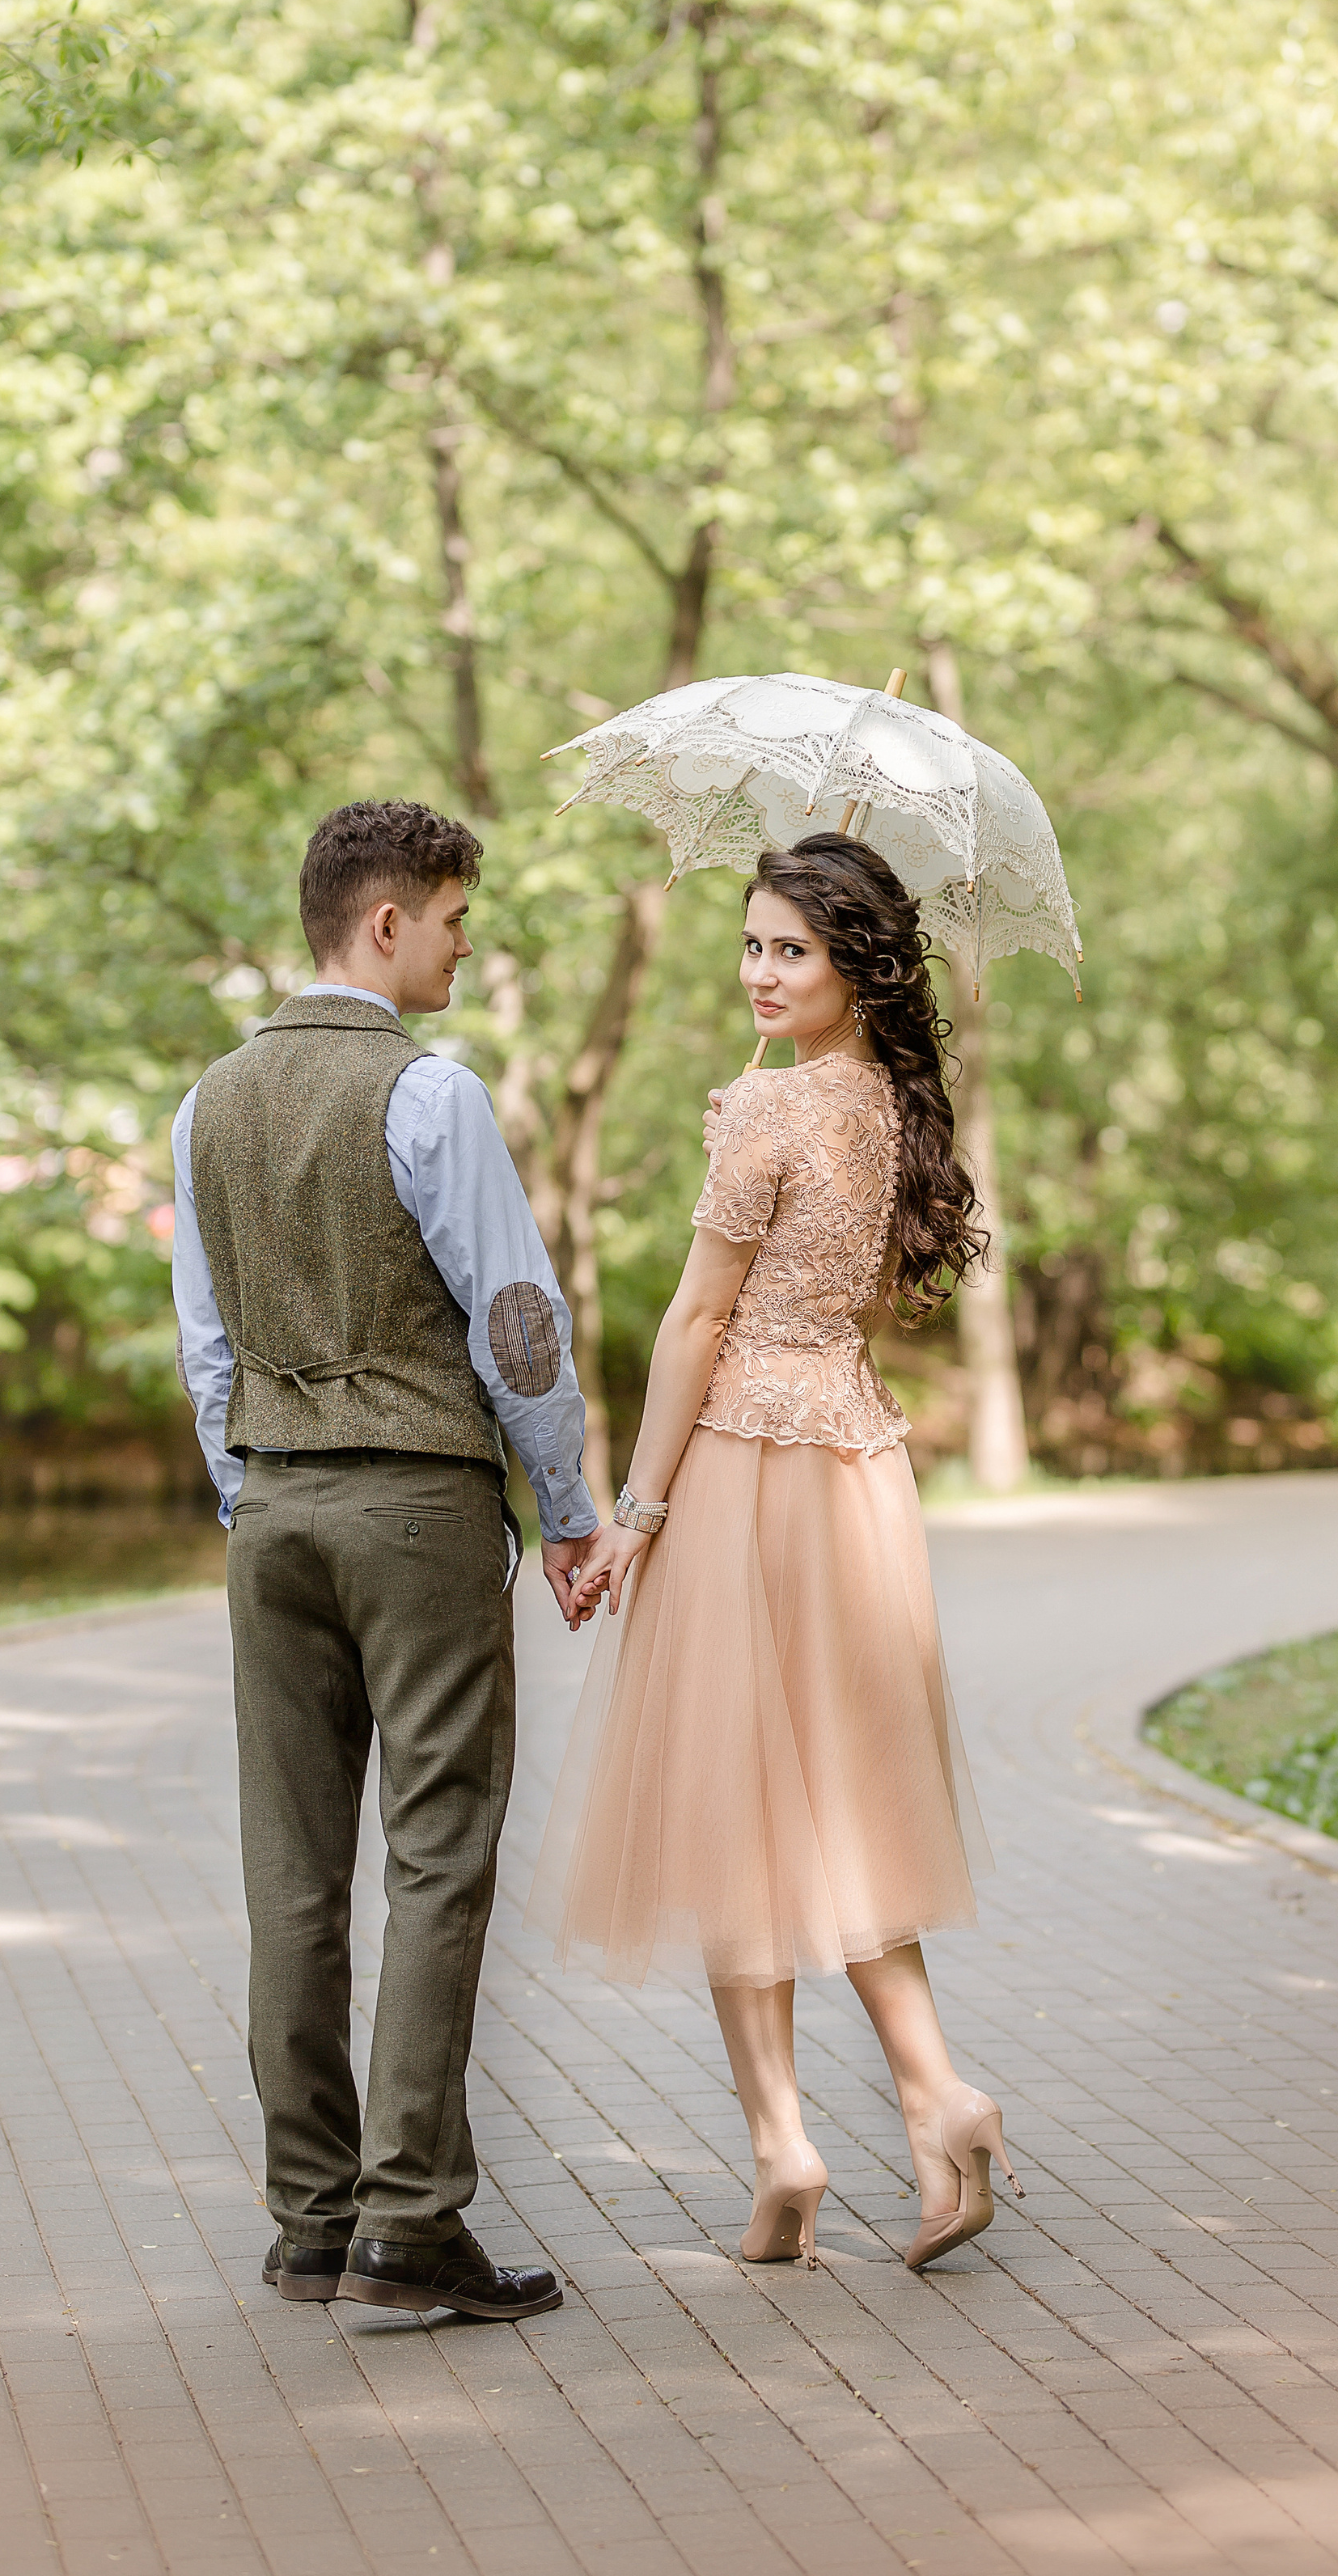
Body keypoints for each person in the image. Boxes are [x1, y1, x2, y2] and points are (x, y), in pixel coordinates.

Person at [528, 834, 1021, 2273]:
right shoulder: (890, 1105)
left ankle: (785, 2148)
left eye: (791, 949)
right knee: (852, 1808)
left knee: (731, 1804)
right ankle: (941, 2097)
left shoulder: (768, 1112)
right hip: (857, 1467)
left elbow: (693, 1323)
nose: (758, 971)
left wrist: (637, 1509)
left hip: (746, 1465)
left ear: (853, 964)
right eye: (749, 944)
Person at [171, 798, 597, 2323]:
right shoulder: (432, 1097)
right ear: (387, 922)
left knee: (289, 1876)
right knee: (438, 1857)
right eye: (456, 916)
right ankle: (409, 2226)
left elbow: (206, 1349)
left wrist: (253, 1493)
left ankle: (308, 2221)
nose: (468, 945)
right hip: (416, 1509)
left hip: (276, 1512)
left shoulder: (210, 1101)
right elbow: (517, 1323)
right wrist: (568, 1507)